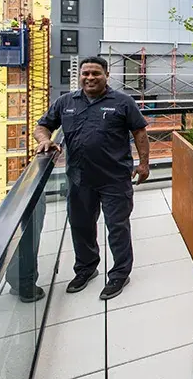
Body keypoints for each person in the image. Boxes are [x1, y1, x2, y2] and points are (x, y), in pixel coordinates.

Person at [35, 56, 150, 300]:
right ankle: (86, 269)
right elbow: (42, 126)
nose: (90, 77)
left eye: (96, 73)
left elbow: (139, 132)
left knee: (117, 227)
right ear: (80, 76)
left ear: (106, 75)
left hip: (115, 178)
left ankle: (119, 273)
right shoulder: (66, 102)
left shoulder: (122, 102)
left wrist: (144, 164)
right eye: (85, 73)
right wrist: (45, 140)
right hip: (79, 179)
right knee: (81, 226)